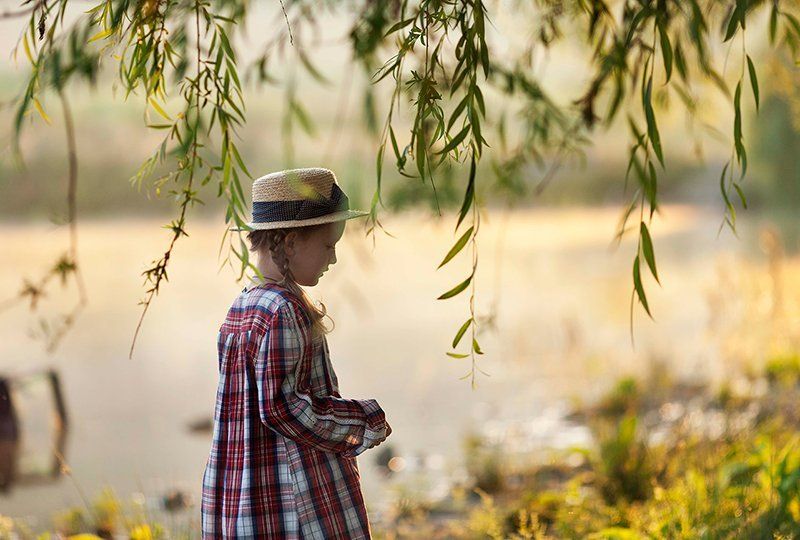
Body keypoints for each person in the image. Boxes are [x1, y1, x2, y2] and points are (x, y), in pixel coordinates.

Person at [201, 168, 392, 539]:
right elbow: (282, 408)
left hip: (246, 486)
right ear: (289, 243)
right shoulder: (283, 311)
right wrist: (362, 419)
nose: (333, 259)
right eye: (328, 245)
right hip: (291, 494)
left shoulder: (243, 306)